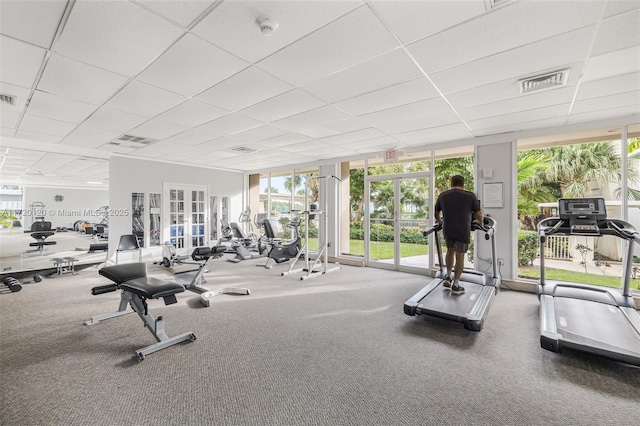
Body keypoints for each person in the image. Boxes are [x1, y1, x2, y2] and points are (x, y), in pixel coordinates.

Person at [434, 175, 483, 295]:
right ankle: (456, 285)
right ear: (463, 184)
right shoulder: (470, 196)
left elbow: (436, 213)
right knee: (460, 256)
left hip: (448, 229)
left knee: (450, 251)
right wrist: (480, 223)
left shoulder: (443, 196)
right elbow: (479, 215)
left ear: (451, 183)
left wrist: (441, 222)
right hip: (463, 230)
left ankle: (448, 277)